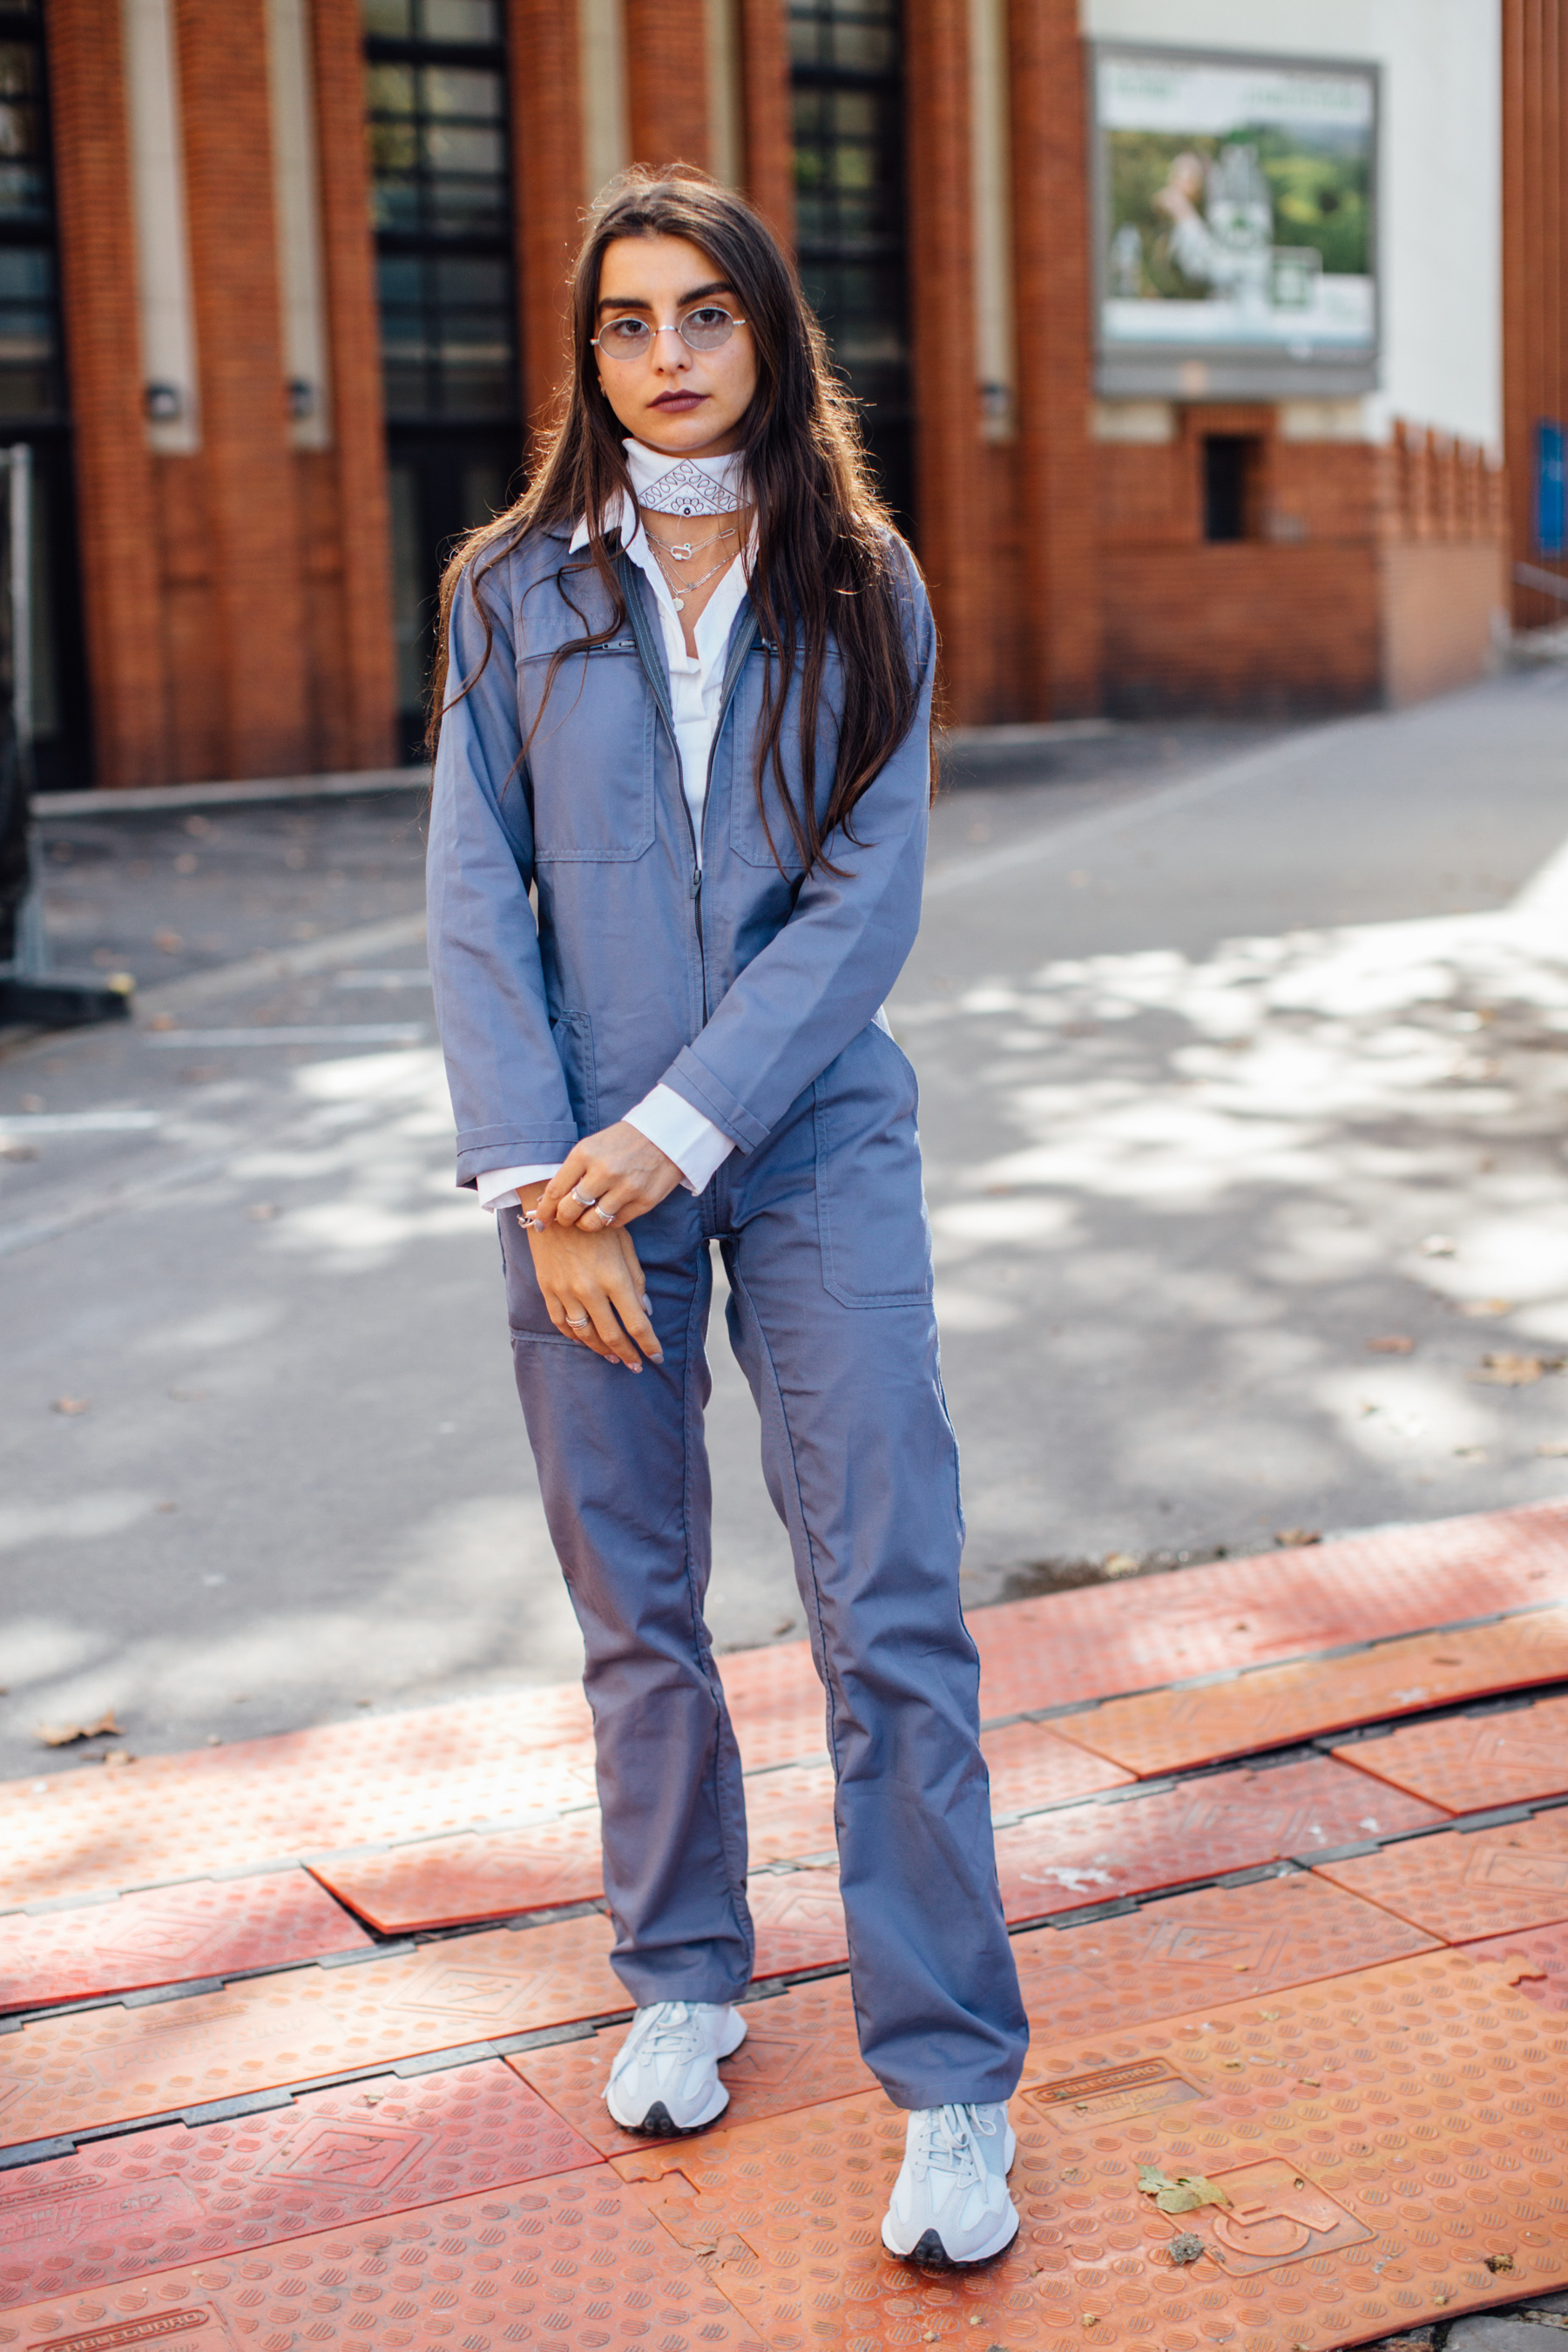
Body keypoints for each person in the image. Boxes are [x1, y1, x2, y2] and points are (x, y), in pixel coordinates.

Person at [426, 166, 1028, 2268]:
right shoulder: (510, 589)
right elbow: (470, 899)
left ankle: (952, 2081)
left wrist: (678, 1130)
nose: (665, 355)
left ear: (770, 335)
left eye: (704, 314)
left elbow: (863, 910)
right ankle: (683, 1963)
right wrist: (539, 1182)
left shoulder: (868, 585)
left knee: (890, 1599)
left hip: (811, 1139)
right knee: (638, 1599)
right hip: (578, 1169)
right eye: (624, 320)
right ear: (587, 353)